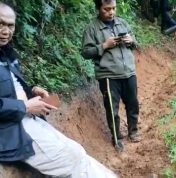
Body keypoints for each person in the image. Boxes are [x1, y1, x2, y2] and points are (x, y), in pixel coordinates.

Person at [0, 2, 117, 177]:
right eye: (0, 23)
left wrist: (31, 91)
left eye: (10, 25)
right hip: (10, 129)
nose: (6, 31)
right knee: (72, 159)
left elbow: (8, 87)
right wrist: (24, 106)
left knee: (77, 151)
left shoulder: (7, 52)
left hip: (25, 119)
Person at [81, 0, 141, 150]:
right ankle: (117, 138)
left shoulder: (123, 23)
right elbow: (85, 52)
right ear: (98, 8)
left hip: (129, 72)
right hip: (108, 75)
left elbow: (136, 44)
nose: (111, 12)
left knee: (133, 103)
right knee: (112, 108)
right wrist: (104, 45)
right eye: (107, 9)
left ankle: (133, 131)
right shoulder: (92, 28)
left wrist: (131, 41)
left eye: (113, 8)